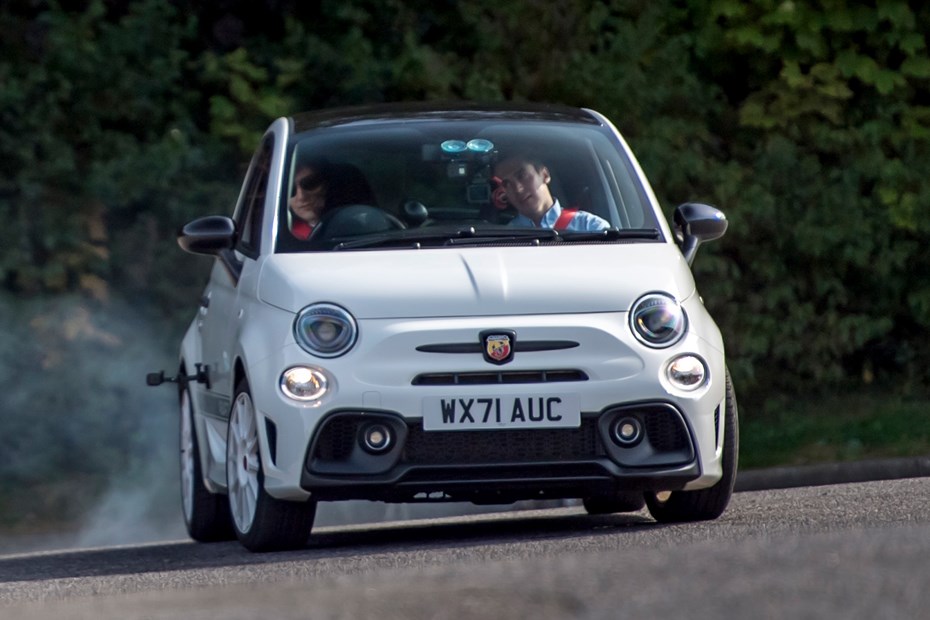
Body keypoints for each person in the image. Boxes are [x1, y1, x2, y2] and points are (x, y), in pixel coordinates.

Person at [493, 153, 610, 231]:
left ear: (545, 175)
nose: (518, 189)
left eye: (522, 175)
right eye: (507, 184)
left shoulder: (592, 228)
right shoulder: (503, 238)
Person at [288, 160, 376, 239]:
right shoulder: (286, 238)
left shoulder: (368, 226)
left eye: (310, 183)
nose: (301, 196)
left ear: (330, 184)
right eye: (290, 190)